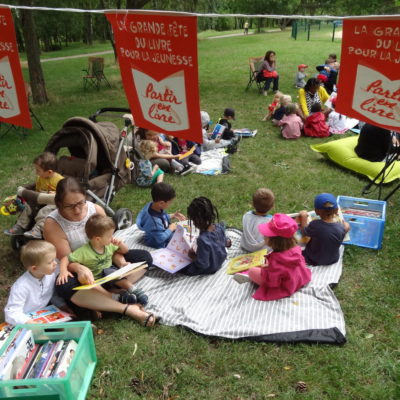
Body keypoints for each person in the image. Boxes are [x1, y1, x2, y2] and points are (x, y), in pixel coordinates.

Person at [43, 177, 155, 327]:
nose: (77, 210)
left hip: (103, 262)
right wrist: (81, 268)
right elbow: (67, 260)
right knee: (65, 286)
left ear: (85, 197)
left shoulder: (95, 210)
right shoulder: (52, 224)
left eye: (80, 203)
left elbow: (108, 243)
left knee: (144, 257)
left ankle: (100, 297)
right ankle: (125, 307)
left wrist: (120, 261)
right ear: (59, 204)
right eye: (69, 206)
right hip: (77, 267)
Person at [58, 214, 148, 306]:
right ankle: (117, 297)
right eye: (109, 236)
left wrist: (120, 244)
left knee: (111, 272)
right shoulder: (83, 251)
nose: (112, 238)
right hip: (96, 282)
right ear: (98, 239)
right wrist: (63, 271)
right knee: (90, 283)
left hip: (111, 276)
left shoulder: (109, 245)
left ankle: (133, 289)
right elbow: (66, 258)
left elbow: (125, 251)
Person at [234, 214, 311, 301]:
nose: (263, 236)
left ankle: (249, 276)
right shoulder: (296, 248)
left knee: (252, 271)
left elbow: (273, 282)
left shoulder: (276, 260)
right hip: (297, 278)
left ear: (275, 241)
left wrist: (265, 270)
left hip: (286, 284)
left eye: (266, 236)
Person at [4, 152, 64, 239]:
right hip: (41, 199)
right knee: (27, 206)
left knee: (44, 211)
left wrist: (55, 193)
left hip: (53, 202)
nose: (36, 172)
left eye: (38, 170)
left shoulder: (59, 180)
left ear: (49, 172)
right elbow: (37, 190)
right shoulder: (41, 178)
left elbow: (64, 193)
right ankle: (20, 226)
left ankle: (38, 230)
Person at [4, 240, 59, 325]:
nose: (55, 263)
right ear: (34, 268)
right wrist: (29, 323)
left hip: (44, 314)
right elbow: (12, 312)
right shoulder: (21, 287)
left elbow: (53, 294)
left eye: (54, 259)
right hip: (26, 320)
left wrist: (62, 305)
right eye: (50, 262)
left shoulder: (50, 273)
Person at [298, 193, 350, 266]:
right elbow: (344, 229)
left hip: (313, 259)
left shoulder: (315, 225)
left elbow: (304, 232)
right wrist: (347, 227)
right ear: (337, 210)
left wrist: (303, 217)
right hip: (333, 259)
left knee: (296, 252)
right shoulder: (341, 227)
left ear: (316, 211)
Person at [181, 197, 228, 276]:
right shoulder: (219, 227)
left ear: (197, 221)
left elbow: (203, 264)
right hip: (220, 261)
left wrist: (193, 256)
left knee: (184, 268)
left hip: (210, 268)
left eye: (193, 220)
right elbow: (225, 242)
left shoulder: (202, 240)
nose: (193, 223)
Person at [136, 182, 186, 249]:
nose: (171, 204)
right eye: (170, 202)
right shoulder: (154, 222)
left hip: (161, 232)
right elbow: (160, 238)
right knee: (181, 240)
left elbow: (162, 217)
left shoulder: (153, 205)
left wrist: (173, 215)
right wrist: (171, 228)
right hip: (156, 242)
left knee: (181, 233)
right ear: (161, 203)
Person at [240, 188, 275, 253]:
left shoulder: (246, 216)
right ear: (272, 206)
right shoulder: (272, 221)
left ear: (252, 204)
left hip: (246, 248)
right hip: (265, 251)